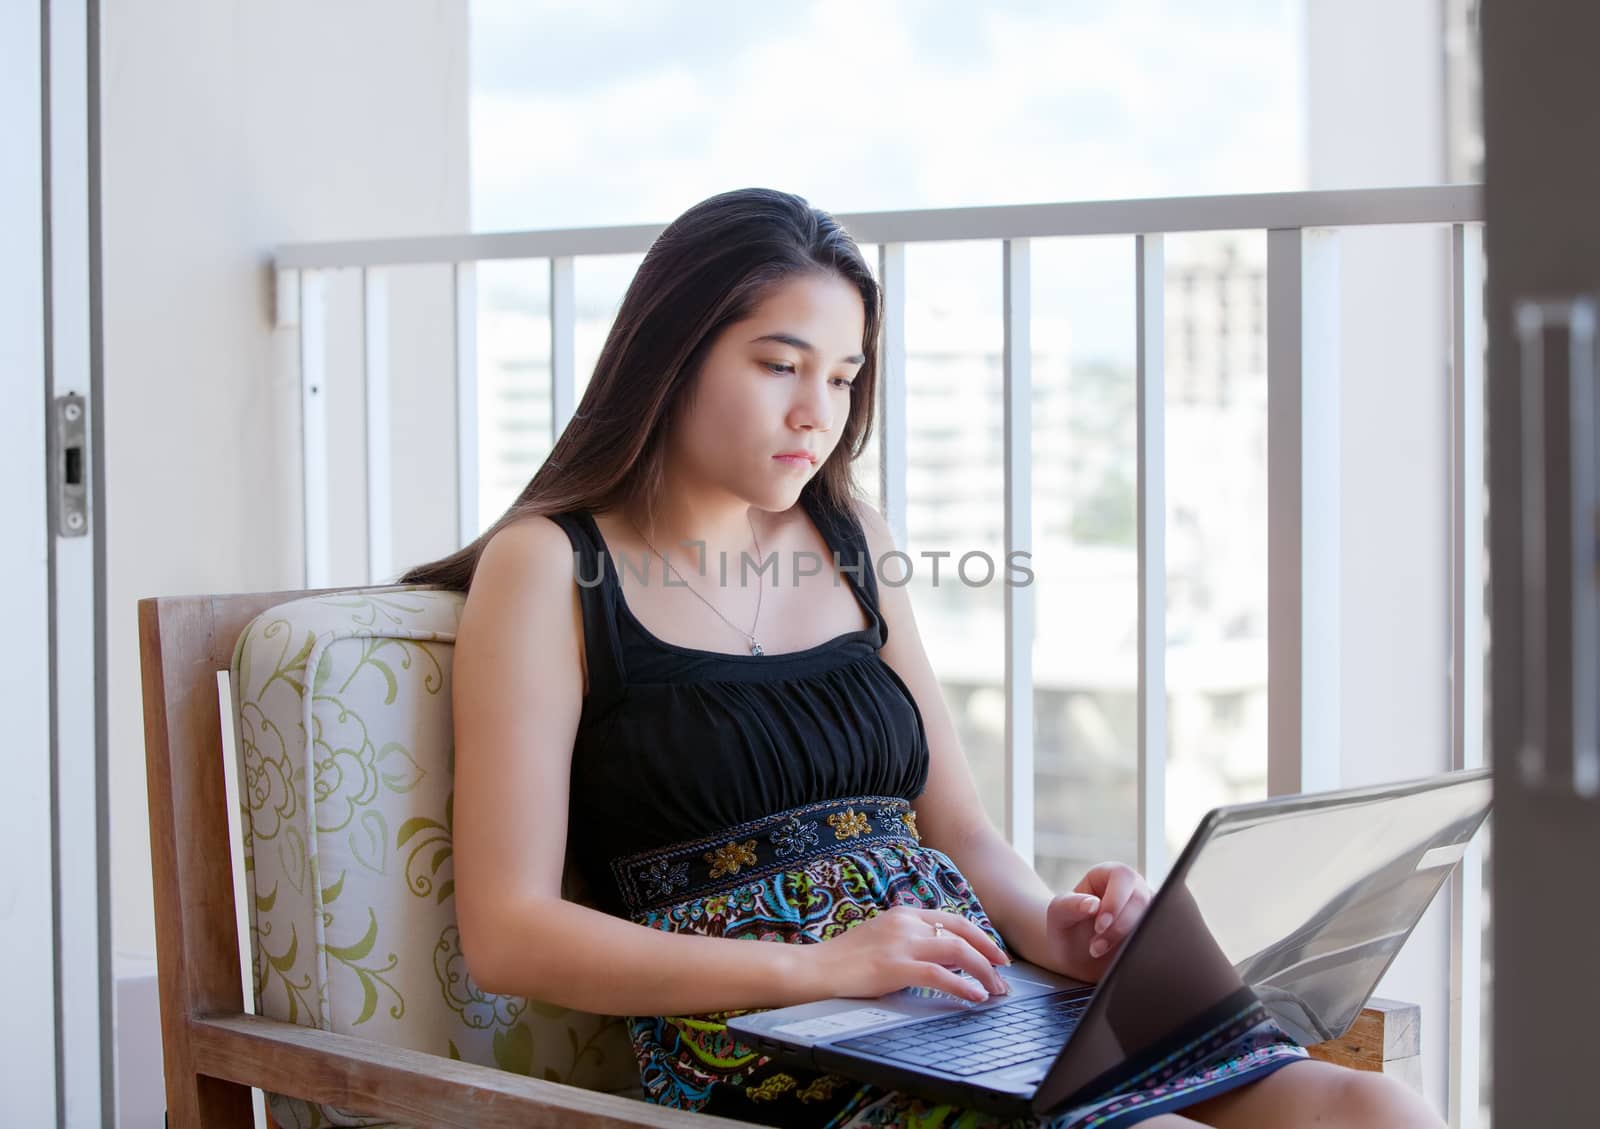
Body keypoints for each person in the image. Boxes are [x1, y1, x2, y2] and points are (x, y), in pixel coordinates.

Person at [399, 187, 1444, 1128]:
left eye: (844, 376)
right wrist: (822, 968)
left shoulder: (852, 534)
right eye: (779, 365)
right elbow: (509, 930)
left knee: (1372, 1108)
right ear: (671, 354)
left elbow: (962, 833)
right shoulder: (549, 567)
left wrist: (1059, 929)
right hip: (768, 1049)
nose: (818, 411)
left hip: (971, 1006)